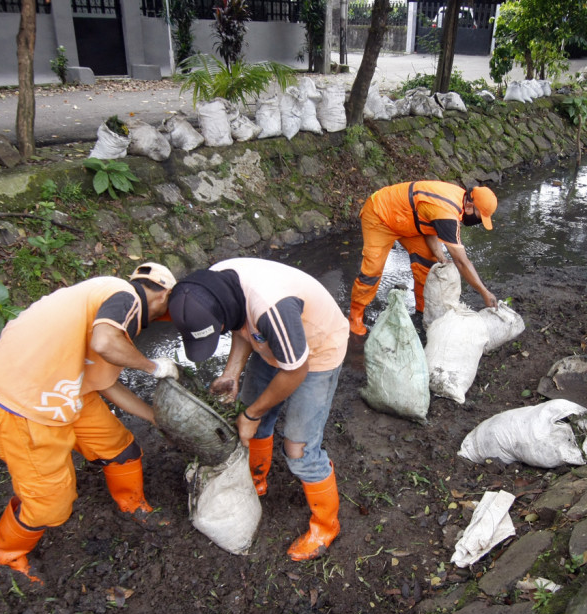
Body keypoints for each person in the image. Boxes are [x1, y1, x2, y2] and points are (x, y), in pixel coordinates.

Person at [0, 263, 181, 584]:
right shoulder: (123, 295)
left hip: (62, 388)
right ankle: (8, 555)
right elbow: (105, 344)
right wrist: (153, 367)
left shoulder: (99, 304)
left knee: (120, 448)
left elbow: (104, 382)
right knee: (49, 503)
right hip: (21, 404)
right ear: (164, 295)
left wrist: (156, 417)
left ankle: (132, 504)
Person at [166, 258, 349, 561]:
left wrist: (252, 413)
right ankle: (257, 479)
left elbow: (296, 371)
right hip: (275, 343)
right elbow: (242, 326)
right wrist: (231, 373)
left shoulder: (271, 308)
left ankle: (325, 527)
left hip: (316, 352)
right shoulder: (211, 285)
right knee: (251, 419)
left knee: (299, 448)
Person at [348, 181, 499, 336]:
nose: (478, 222)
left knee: (427, 262)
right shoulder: (447, 211)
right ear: (469, 206)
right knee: (372, 271)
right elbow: (461, 262)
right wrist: (484, 292)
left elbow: (429, 223)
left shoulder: (459, 199)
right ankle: (355, 316)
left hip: (408, 221)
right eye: (479, 217)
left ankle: (422, 310)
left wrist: (439, 255)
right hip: (380, 215)